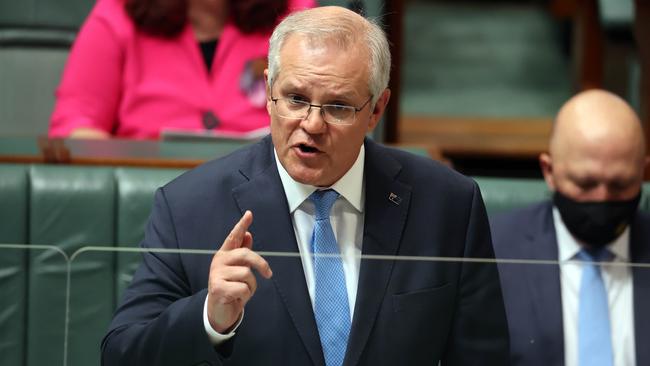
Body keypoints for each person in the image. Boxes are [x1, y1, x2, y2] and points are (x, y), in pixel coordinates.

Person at [101, 6, 509, 365]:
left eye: (337, 107)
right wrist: (210, 316)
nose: (312, 125)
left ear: (376, 110)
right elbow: (121, 355)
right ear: (268, 91)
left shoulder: (448, 204)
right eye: (295, 99)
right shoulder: (188, 207)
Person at [490, 89, 650, 366]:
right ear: (549, 171)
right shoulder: (492, 249)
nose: (602, 198)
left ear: (643, 173)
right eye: (586, 184)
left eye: (620, 184)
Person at [48, 0, 314, 139]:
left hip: (264, 196)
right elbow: (75, 128)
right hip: (146, 199)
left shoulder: (296, 14)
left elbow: (325, 118)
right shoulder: (118, 13)